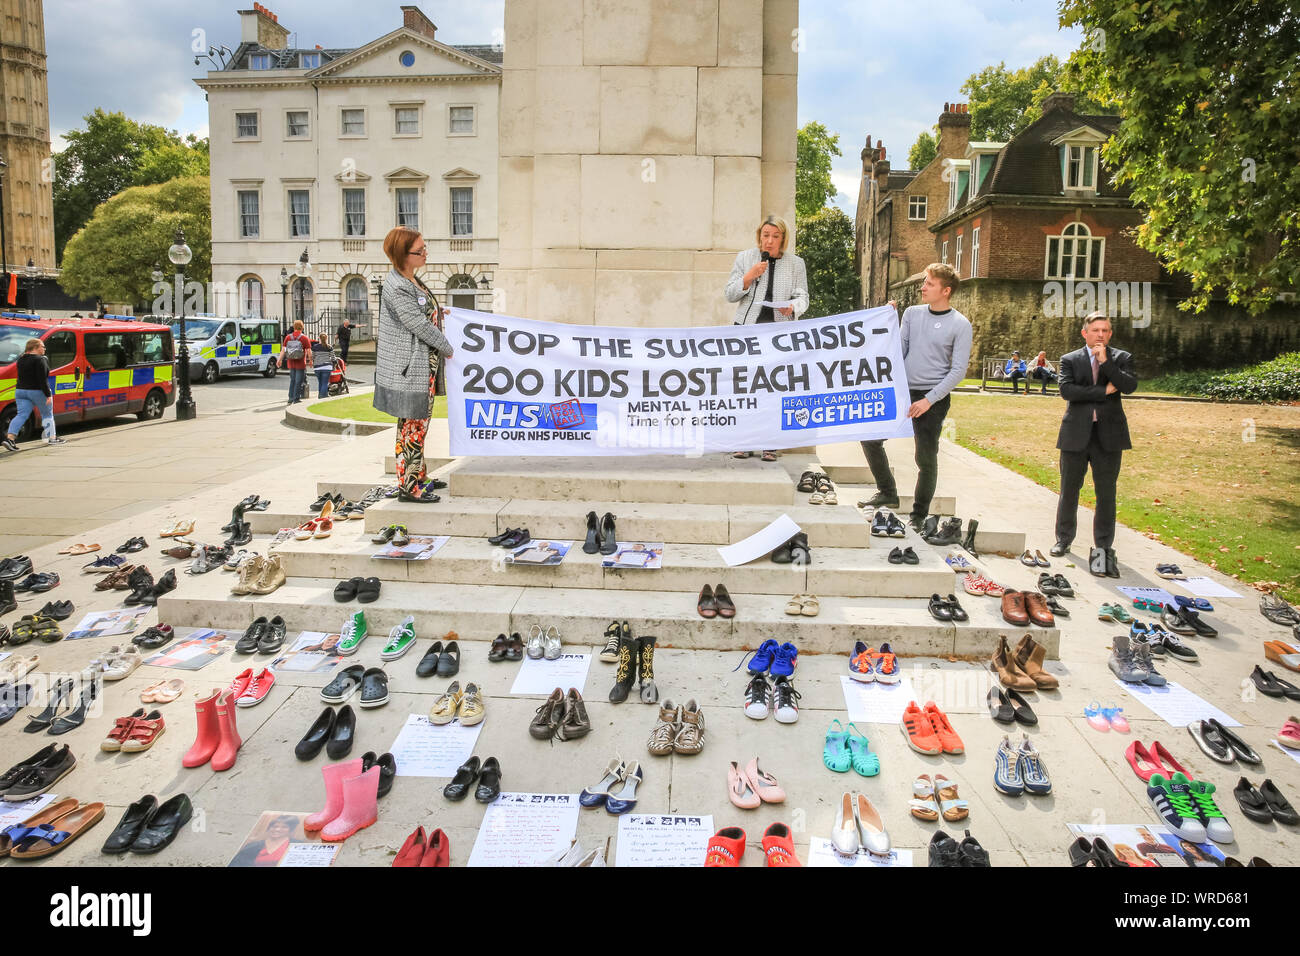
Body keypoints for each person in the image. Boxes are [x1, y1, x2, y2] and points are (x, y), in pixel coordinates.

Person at [858, 263, 972, 532]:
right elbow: (898, 349)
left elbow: (958, 371)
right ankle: (887, 491)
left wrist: (928, 400)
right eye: (924, 282)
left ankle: (918, 515)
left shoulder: (960, 324)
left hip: (932, 399)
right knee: (870, 437)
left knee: (926, 458)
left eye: (929, 283)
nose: (922, 287)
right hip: (902, 391)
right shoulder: (912, 313)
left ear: (945, 291)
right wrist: (889, 320)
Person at [1052, 311, 1137, 576]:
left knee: (1106, 494)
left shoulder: (1121, 358)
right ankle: (1063, 540)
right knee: (1069, 490)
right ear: (1085, 333)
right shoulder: (1070, 360)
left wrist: (1106, 363)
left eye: (1105, 331)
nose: (1100, 335)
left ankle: (1103, 547)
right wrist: (1104, 391)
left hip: (1109, 437)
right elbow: (1068, 391)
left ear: (1110, 334)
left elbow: (1129, 386)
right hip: (1075, 434)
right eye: (1096, 330)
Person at [374, 227, 453, 503]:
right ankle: (409, 487)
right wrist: (447, 346)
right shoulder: (397, 286)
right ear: (403, 255)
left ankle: (418, 476)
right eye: (419, 251)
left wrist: (439, 313)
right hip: (411, 371)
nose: (425, 253)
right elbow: (417, 324)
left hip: (423, 368)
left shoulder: (411, 280)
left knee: (419, 424)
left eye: (424, 247)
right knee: (412, 427)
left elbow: (424, 312)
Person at [724, 215, 809, 462]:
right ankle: (742, 441)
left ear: (783, 239)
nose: (769, 241)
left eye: (775, 236)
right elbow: (729, 294)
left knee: (774, 388)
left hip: (778, 334)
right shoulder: (745, 258)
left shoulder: (795, 263)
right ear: (759, 236)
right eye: (765, 235)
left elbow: (803, 296)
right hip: (746, 330)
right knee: (744, 387)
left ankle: (770, 444)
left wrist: (792, 306)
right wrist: (749, 276)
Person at [3, 338, 64, 450]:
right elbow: (42, 379)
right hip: (37, 391)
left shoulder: (21, 360)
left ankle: (10, 439)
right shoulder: (40, 360)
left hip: (21, 391)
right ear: (35, 348)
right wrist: (48, 395)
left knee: (21, 415)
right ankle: (52, 438)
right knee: (47, 414)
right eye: (42, 346)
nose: (44, 348)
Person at [230, 814, 300, 867]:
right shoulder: (253, 846)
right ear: (269, 828)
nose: (277, 829)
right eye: (275, 826)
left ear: (291, 830)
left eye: (284, 827)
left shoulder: (298, 845)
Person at [282, 320, 312, 405]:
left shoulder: (288, 337)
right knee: (298, 381)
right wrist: (310, 360)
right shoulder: (304, 338)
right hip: (300, 362)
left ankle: (290, 398)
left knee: (292, 380)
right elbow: (309, 351)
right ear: (302, 327)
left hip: (291, 362)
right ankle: (296, 398)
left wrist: (279, 360)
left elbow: (283, 350)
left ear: (294, 327)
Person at [310, 334, 335, 400]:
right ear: (326, 338)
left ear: (319, 338)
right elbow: (333, 358)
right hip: (327, 367)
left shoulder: (315, 347)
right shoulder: (329, 347)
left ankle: (321, 394)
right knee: (325, 382)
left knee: (321, 382)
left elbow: (312, 357)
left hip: (317, 367)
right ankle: (323, 396)